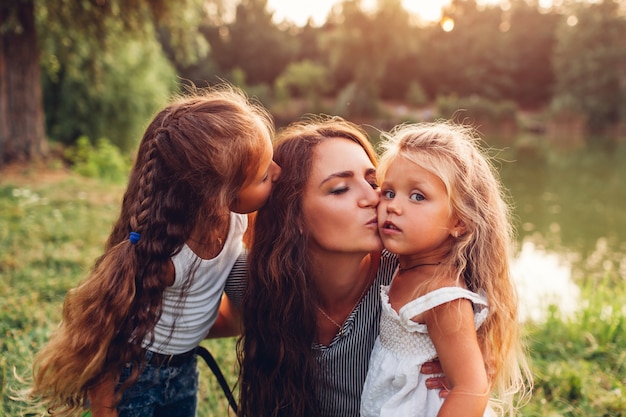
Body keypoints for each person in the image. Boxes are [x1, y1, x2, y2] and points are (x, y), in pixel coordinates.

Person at [29, 84, 281, 417]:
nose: (277, 172)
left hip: (184, 367)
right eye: (264, 175)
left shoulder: (236, 222)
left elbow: (228, 295)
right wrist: (105, 407)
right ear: (218, 196)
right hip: (134, 376)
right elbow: (109, 328)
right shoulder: (167, 256)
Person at [233, 116, 446, 417]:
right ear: (292, 216)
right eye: (340, 189)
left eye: (373, 182)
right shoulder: (257, 278)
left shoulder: (414, 280)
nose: (373, 197)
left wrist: (471, 363)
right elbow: (205, 320)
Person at [359, 122, 532, 417]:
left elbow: (471, 388)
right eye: (388, 192)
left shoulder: (441, 297)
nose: (393, 206)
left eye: (417, 196)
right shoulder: (398, 266)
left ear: (459, 221)